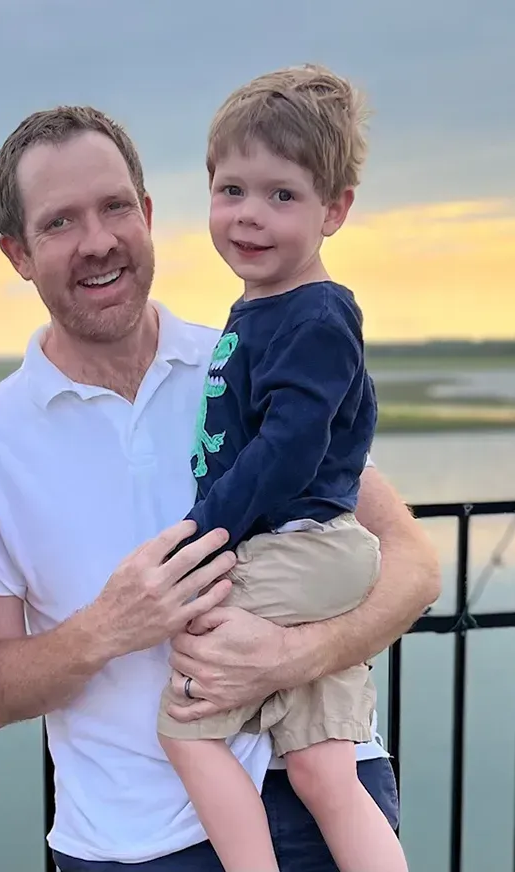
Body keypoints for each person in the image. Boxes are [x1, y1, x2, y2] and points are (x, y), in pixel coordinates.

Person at [0, 105, 441, 870]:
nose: (99, 241)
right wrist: (108, 626)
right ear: (16, 253)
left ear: (147, 214)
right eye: (60, 223)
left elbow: (412, 563)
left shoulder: (247, 353)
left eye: (115, 208)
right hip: (132, 842)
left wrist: (291, 655)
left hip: (321, 793)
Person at [153, 65, 409, 872]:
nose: (250, 216)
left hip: (296, 547)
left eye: (282, 196)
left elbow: (290, 446)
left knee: (184, 733)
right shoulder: (267, 305)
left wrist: (202, 530)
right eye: (232, 191)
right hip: (315, 549)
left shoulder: (316, 312)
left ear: (336, 209)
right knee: (324, 766)